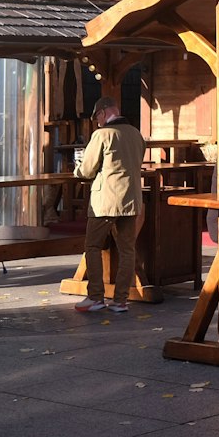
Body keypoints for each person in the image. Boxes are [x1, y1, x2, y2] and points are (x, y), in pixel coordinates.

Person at [74, 98, 146, 312]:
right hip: (131, 199)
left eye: (97, 117)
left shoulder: (102, 135)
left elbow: (87, 170)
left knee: (93, 246)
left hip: (106, 201)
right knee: (127, 250)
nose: (97, 122)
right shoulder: (135, 134)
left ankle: (95, 297)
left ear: (104, 113)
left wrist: (76, 168)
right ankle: (121, 300)